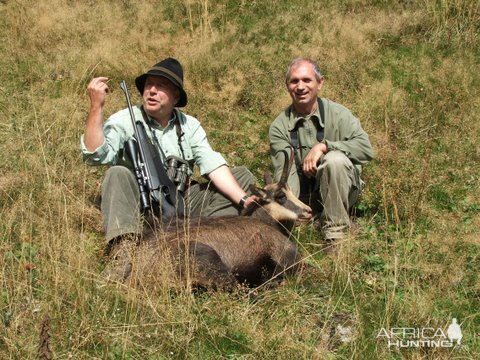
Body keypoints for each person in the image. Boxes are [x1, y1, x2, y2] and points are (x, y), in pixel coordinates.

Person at [81, 57, 256, 280]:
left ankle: (210, 239)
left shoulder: (189, 125)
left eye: (161, 86)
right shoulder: (125, 119)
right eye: (148, 84)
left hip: (181, 200)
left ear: (175, 96)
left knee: (241, 175)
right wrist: (96, 107)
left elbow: (212, 165)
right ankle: (124, 253)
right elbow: (94, 155)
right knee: (117, 173)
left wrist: (243, 199)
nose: (152, 91)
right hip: (140, 206)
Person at [269, 58, 373, 244]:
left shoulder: (339, 114)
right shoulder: (279, 126)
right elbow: (285, 172)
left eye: (307, 80)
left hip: (343, 190)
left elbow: (366, 150)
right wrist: (296, 213)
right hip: (305, 197)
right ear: (287, 86)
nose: (300, 87)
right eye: (294, 81)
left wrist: (325, 146)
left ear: (320, 83)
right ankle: (307, 222)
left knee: (334, 160)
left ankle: (335, 236)